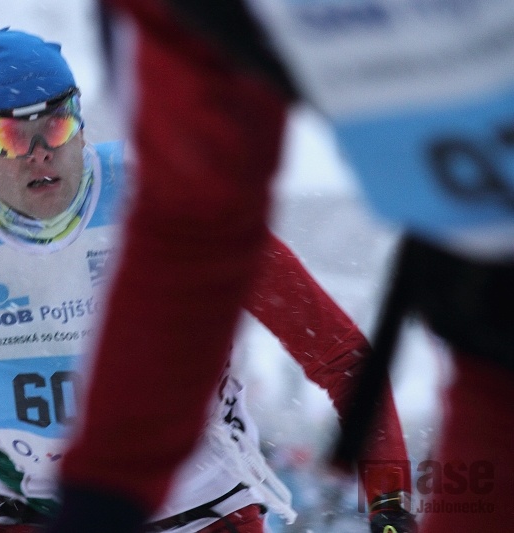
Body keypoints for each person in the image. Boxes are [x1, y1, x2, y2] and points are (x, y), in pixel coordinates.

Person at [0, 28, 413, 533]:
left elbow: (342, 357)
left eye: (56, 125)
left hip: (201, 513)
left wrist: (388, 501)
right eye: (11, 136)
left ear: (80, 123)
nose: (40, 151)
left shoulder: (181, 201)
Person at [52, 1, 514, 532]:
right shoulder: (184, 15)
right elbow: (194, 227)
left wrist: (387, 495)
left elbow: (337, 352)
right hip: (490, 340)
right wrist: (99, 501)